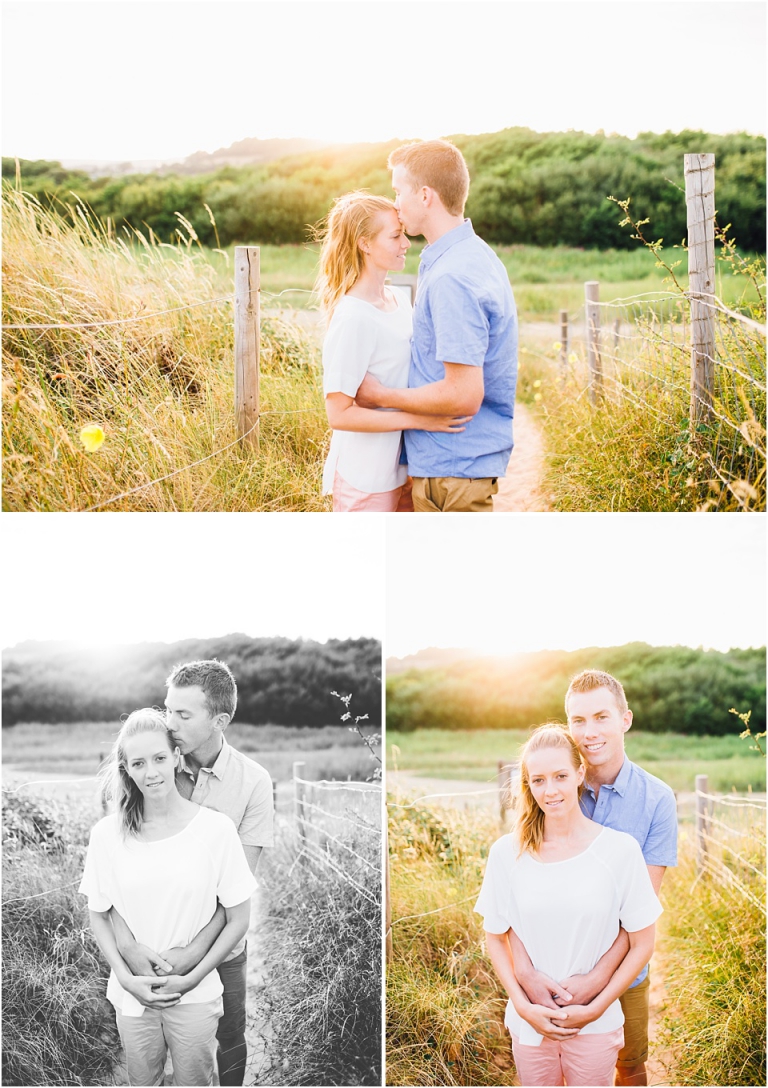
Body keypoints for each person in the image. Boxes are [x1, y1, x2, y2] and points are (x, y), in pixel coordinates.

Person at [506, 670, 678, 1087]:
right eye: (578, 721)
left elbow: (638, 916)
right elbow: (515, 891)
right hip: (550, 973)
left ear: (625, 719)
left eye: (601, 717)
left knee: (630, 1067)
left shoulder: (656, 801)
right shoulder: (554, 787)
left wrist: (597, 986)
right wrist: (528, 977)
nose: (589, 732)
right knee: (552, 1065)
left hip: (623, 973)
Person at [108, 659, 274, 1087]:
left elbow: (237, 892)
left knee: (230, 1034)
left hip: (222, 944)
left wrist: (194, 954)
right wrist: (130, 947)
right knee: (153, 1041)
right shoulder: (154, 766)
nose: (170, 721)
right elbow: (115, 870)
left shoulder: (254, 783)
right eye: (168, 710)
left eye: (183, 714)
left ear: (219, 720)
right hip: (151, 945)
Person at [475, 725, 663, 1087]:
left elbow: (643, 943)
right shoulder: (506, 854)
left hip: (596, 1025)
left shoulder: (620, 851)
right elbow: (496, 938)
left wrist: (595, 1007)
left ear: (580, 774)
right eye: (539, 780)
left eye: (560, 776)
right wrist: (524, 1006)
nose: (551, 790)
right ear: (527, 784)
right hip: (530, 1026)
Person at [79, 708, 257, 1087]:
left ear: (177, 757)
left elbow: (239, 917)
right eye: (139, 763)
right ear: (126, 769)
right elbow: (99, 911)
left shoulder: (215, 831)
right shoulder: (107, 835)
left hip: (194, 996)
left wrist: (191, 978)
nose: (152, 772)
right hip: (132, 996)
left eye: (160, 758)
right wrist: (127, 980)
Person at [354, 139, 518, 512]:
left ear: (425, 195)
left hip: (452, 471)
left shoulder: (452, 277)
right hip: (453, 468)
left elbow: (462, 395)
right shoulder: (471, 255)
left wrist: (379, 396)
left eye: (399, 192)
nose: (395, 204)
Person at [314, 190, 471, 512]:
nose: (406, 243)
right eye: (395, 236)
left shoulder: (397, 299)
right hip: (365, 478)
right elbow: (338, 414)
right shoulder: (353, 316)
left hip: (403, 469)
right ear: (365, 243)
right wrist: (420, 420)